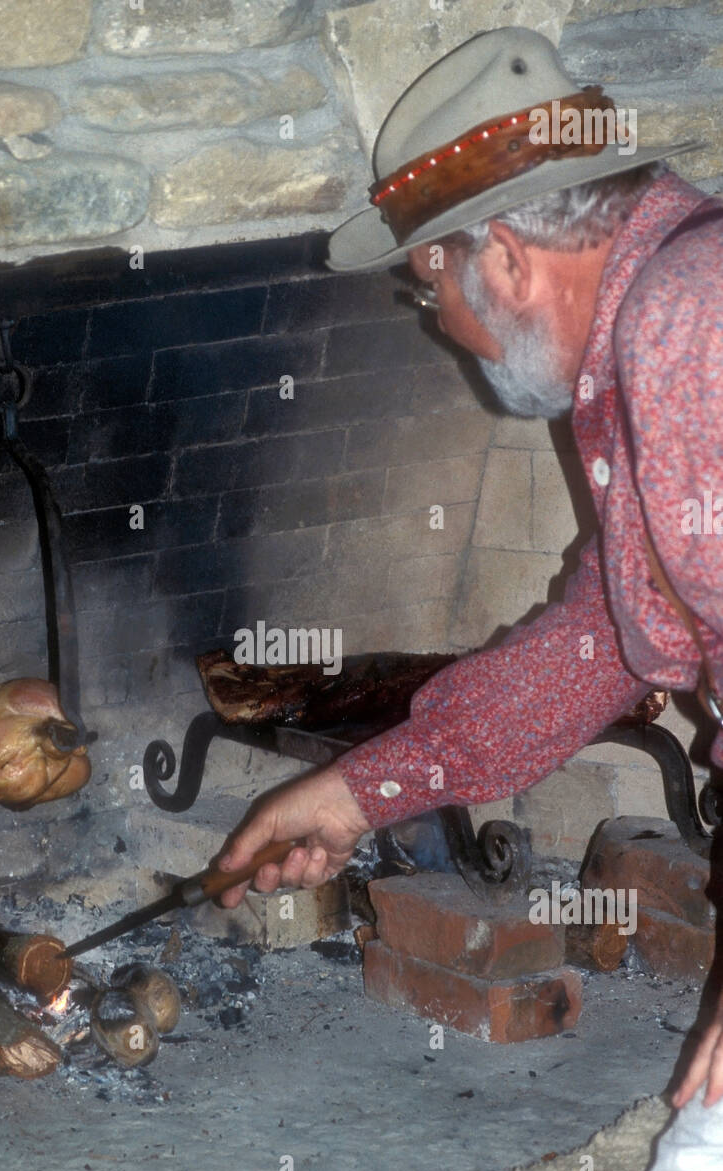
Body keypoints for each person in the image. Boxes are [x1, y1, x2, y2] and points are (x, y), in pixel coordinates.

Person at [214, 26, 723, 1113]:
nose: (444, 325)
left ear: (502, 255)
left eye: (424, 286)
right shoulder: (669, 308)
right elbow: (602, 640)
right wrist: (356, 794)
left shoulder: (690, 325)